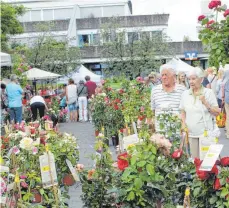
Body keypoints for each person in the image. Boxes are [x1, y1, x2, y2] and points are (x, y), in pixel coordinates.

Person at [180, 67, 220, 158]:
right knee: (195, 162)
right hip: (190, 134)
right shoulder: (185, 94)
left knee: (207, 163)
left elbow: (217, 112)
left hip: (206, 134)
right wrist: (183, 124)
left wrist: (206, 103)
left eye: (194, 78)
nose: (191, 81)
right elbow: (182, 111)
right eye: (189, 79)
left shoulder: (208, 93)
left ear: (201, 79)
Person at [151, 64, 186, 132]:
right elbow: (153, 110)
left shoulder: (182, 90)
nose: (164, 77)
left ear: (173, 76)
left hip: (178, 132)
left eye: (166, 75)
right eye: (162, 75)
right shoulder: (155, 90)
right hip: (161, 134)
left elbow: (185, 111)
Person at [222, 70, 229, 138]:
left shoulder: (225, 81)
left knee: (228, 116)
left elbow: (223, 90)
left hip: (227, 99)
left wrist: (223, 98)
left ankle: (228, 133)